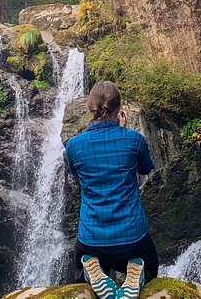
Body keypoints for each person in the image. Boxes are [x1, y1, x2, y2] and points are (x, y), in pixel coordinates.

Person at [65, 81, 158, 299]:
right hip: (133, 239)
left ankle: (93, 274)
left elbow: (79, 179)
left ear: (91, 107)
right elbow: (145, 168)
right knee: (152, 266)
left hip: (92, 240)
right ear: (118, 109)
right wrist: (123, 133)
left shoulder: (74, 145)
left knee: (81, 263)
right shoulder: (133, 139)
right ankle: (137, 274)